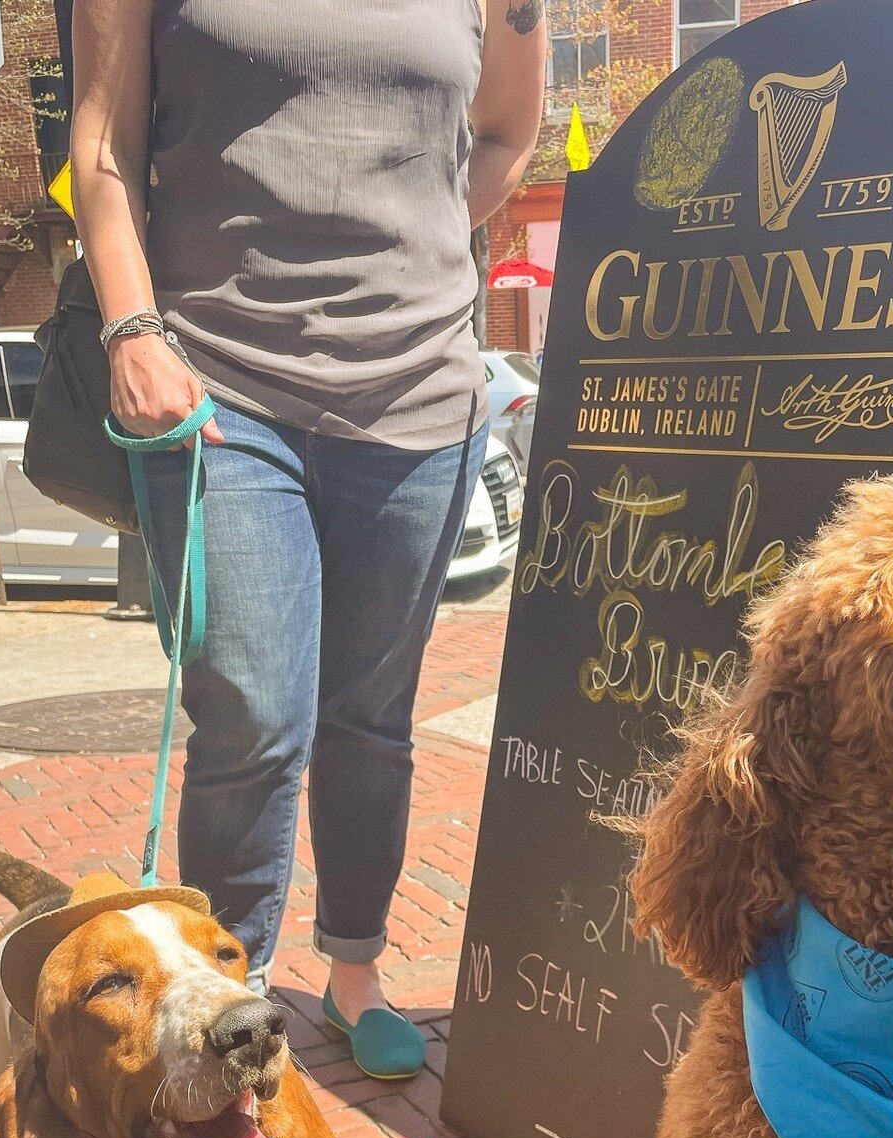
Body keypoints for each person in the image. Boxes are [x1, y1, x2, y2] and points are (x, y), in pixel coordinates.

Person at [71, 0, 546, 1078]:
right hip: (218, 382)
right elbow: (102, 142)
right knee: (252, 718)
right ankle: (218, 1014)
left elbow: (509, 133)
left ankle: (355, 972)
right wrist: (132, 326)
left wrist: (419, 237)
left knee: (370, 721)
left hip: (421, 396)